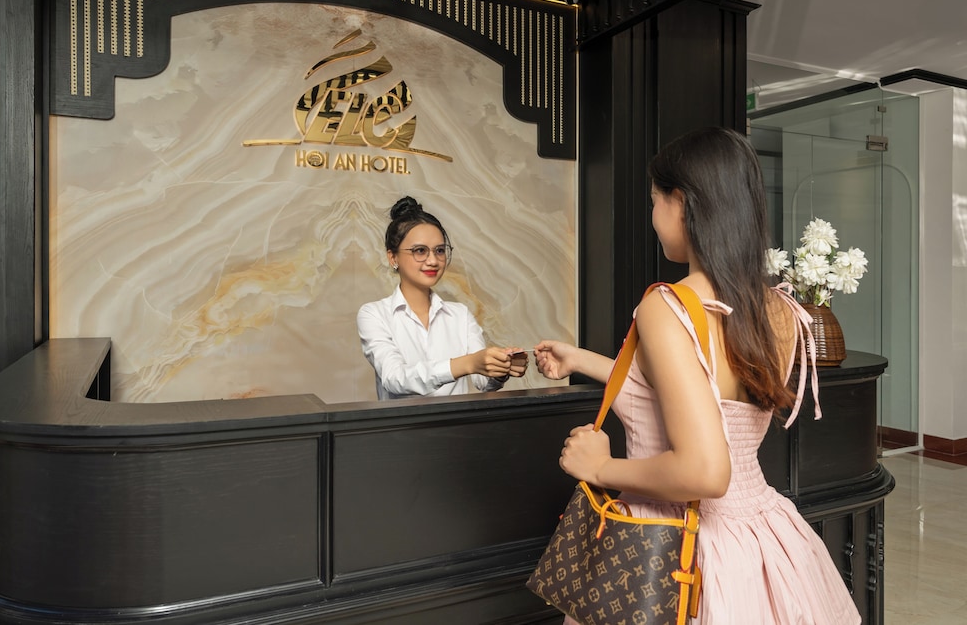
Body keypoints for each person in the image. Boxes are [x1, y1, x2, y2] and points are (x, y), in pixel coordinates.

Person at [534, 127, 860, 624]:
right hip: (760, 538)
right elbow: (698, 392)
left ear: (682, 203)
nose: (652, 217)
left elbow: (704, 472)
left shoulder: (668, 306)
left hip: (675, 545)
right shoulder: (779, 310)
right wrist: (579, 360)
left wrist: (599, 467)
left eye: (654, 201)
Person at [358, 196, 528, 400]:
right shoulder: (374, 314)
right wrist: (466, 363)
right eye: (420, 251)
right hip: (403, 422)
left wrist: (501, 367)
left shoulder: (460, 314)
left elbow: (483, 383)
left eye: (439, 250)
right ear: (393, 257)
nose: (433, 260)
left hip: (458, 421)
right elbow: (395, 379)